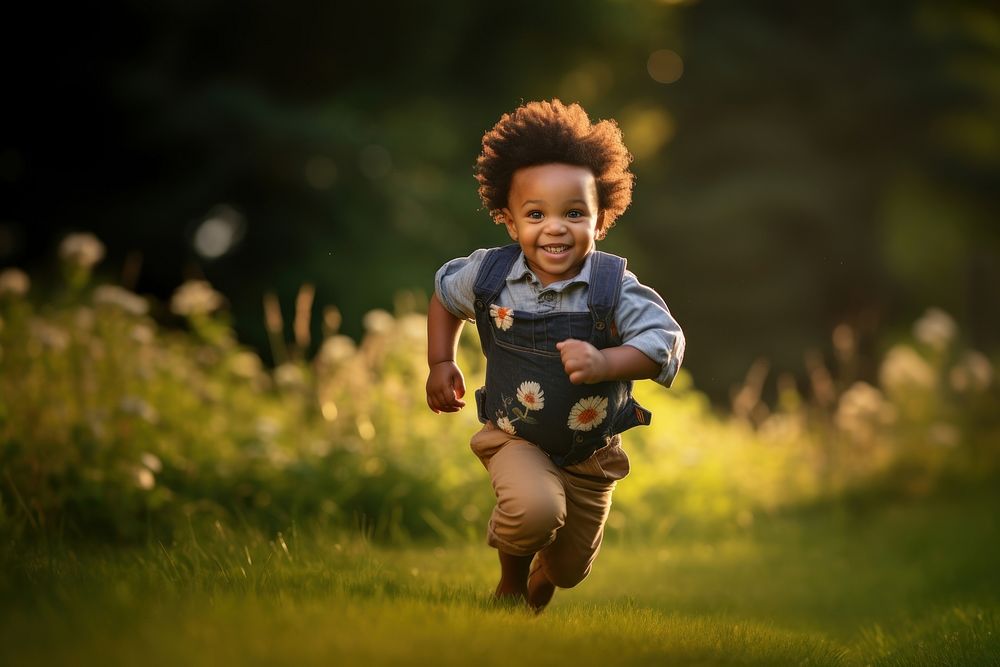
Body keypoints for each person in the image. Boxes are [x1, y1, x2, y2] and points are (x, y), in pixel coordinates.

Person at [425, 99, 685, 612]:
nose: (555, 228)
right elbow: (442, 295)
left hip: (591, 454)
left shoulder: (614, 288)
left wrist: (608, 363)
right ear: (508, 219)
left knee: (570, 571)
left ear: (601, 219)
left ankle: (544, 576)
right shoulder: (490, 276)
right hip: (515, 436)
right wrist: (440, 361)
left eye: (574, 213)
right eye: (536, 214)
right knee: (533, 510)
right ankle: (510, 583)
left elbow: (664, 342)